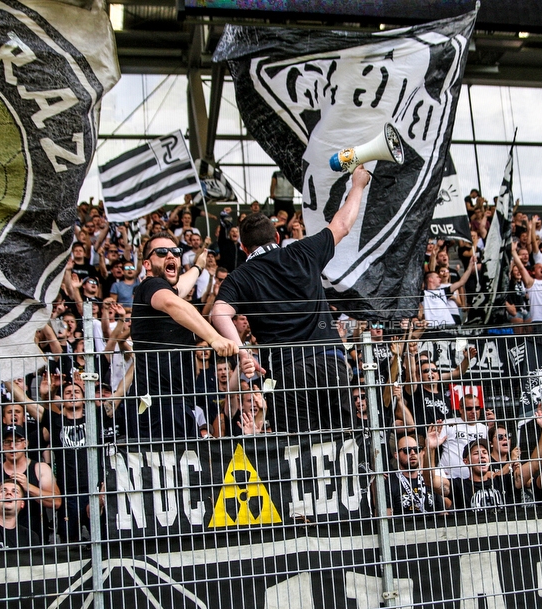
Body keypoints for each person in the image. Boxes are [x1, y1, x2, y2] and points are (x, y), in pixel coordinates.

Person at [211, 165, 371, 434]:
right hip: (330, 362)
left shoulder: (240, 276)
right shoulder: (303, 250)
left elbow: (218, 313)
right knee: (345, 445)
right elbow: (342, 224)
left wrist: (242, 351)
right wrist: (357, 185)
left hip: (287, 373)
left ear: (243, 247)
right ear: (276, 237)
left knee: (301, 452)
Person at [130, 235, 240, 440]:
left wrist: (198, 267)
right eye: (162, 252)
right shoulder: (151, 285)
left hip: (175, 402)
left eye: (176, 252)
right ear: (147, 264)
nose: (171, 255)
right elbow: (173, 303)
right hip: (162, 405)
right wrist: (214, 338)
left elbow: (181, 287)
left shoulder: (165, 289)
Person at [0, 424, 61, 541]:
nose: (12, 446)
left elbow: (56, 502)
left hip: (34, 535)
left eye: (17, 441)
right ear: (2, 446)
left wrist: (28, 487)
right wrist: (0, 493)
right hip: (0, 538)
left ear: (26, 443)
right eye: (8, 442)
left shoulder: (40, 468)